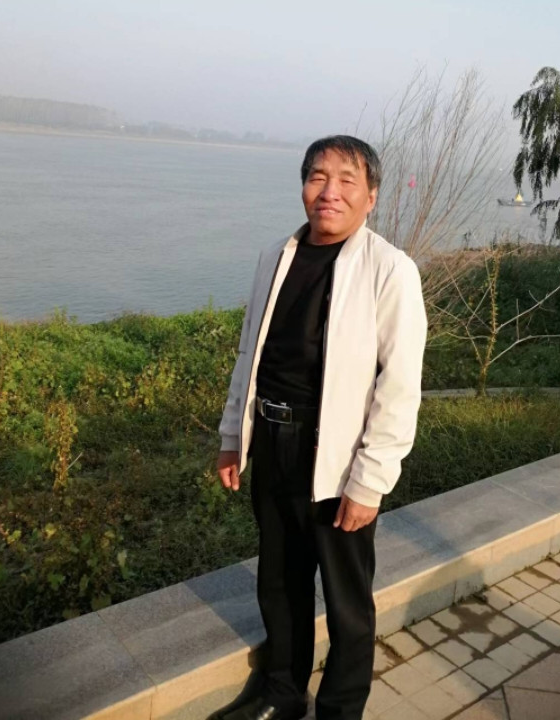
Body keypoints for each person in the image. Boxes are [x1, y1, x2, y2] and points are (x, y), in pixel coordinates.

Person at [213, 135, 427, 720]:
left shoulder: (390, 270)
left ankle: (339, 710)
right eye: (317, 177)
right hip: (272, 441)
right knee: (280, 580)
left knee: (345, 598)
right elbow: (250, 355)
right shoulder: (275, 257)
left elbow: (399, 387)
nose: (329, 191)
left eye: (346, 180)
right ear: (303, 186)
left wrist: (371, 481)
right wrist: (233, 437)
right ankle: (282, 693)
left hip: (338, 455)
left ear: (371, 197)